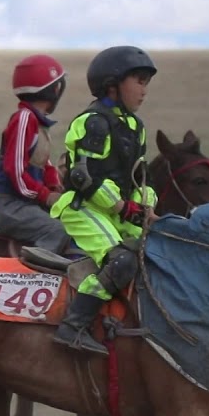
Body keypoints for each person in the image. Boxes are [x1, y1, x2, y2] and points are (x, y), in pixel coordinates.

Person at [50, 46, 158, 355]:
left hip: (118, 213)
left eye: (146, 82)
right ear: (112, 84)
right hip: (83, 208)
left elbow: (139, 177)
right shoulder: (93, 122)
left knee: (159, 250)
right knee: (122, 260)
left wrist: (146, 206)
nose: (144, 91)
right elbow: (85, 179)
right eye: (138, 81)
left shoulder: (136, 127)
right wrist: (125, 208)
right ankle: (73, 327)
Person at [0, 55, 72, 253]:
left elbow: (45, 165)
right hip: (13, 206)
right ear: (54, 89)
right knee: (57, 231)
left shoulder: (37, 123)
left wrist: (56, 188)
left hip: (27, 203)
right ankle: (32, 277)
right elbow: (15, 170)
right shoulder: (25, 120)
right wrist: (46, 196)